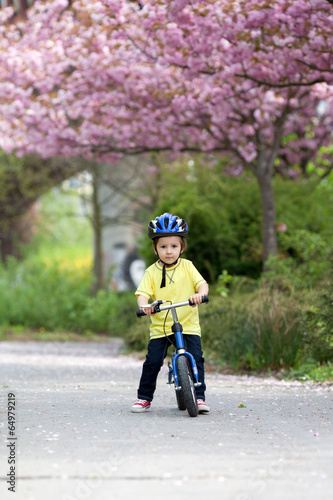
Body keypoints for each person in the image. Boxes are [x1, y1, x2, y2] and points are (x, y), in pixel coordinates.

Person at [131, 212, 210, 414]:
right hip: (161, 326)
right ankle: (144, 398)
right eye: (163, 247)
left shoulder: (188, 266)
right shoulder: (151, 272)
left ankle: (199, 397)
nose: (169, 252)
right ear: (155, 248)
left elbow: (202, 285)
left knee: (197, 358)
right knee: (153, 361)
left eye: (174, 246)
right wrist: (145, 305)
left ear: (182, 247)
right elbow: (142, 294)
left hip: (188, 323)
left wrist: (200, 295)